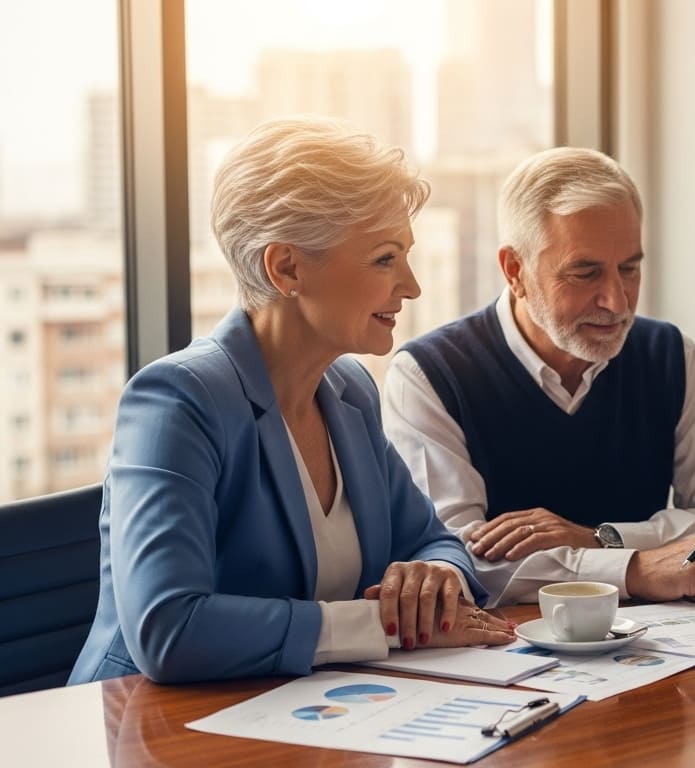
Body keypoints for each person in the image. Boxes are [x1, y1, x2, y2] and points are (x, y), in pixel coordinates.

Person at [69, 118, 514, 686]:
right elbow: (168, 628)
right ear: (287, 268)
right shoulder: (178, 401)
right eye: (384, 258)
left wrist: (433, 577)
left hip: (306, 717)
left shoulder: (349, 390)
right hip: (151, 728)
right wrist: (382, 626)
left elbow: (432, 540)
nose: (411, 285)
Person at [383, 147, 695, 607]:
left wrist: (605, 539)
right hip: (509, 653)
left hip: (663, 644)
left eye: (629, 268)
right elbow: (451, 562)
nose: (616, 300)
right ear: (516, 271)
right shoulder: (430, 375)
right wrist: (636, 569)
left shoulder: (667, 355)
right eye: (585, 272)